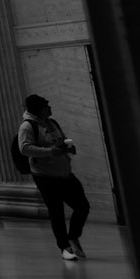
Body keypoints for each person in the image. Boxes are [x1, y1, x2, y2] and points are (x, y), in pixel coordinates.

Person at [19, 93, 92, 260]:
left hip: (64, 172)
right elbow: (24, 148)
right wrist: (50, 152)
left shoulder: (52, 123)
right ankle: (64, 247)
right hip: (45, 176)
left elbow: (62, 140)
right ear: (39, 110)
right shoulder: (27, 126)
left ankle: (73, 235)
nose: (50, 108)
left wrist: (68, 148)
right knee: (56, 211)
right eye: (47, 106)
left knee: (82, 206)